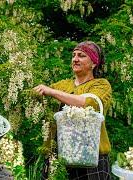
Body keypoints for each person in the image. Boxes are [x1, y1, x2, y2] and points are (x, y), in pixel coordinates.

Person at [34, 41, 112, 180]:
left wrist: (51, 92)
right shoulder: (62, 85)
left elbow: (88, 104)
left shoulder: (101, 85)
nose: (75, 59)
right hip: (58, 156)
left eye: (81, 56)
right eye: (74, 55)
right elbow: (37, 99)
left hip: (91, 158)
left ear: (94, 63)